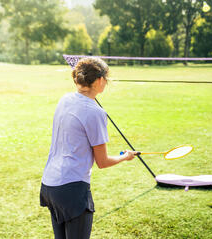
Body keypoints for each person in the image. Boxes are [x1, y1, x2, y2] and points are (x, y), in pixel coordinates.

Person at [40, 57, 137, 239]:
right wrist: (125, 156)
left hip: (50, 185)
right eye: (105, 79)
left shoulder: (65, 99)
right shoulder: (96, 112)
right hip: (71, 189)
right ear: (99, 80)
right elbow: (102, 162)